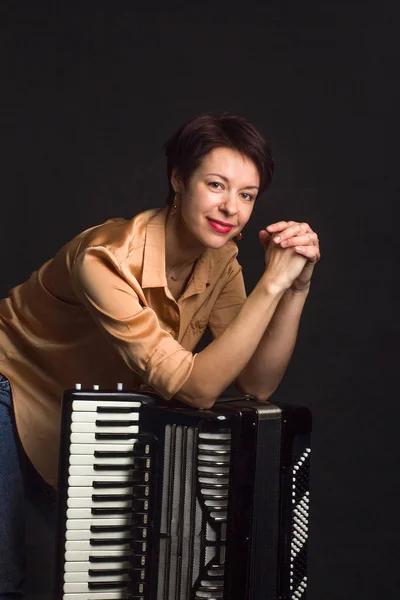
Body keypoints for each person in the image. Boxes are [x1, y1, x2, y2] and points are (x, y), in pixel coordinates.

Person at [0, 113, 320, 597]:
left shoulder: (220, 260)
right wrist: (269, 284)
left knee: (116, 578)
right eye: (216, 184)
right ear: (178, 179)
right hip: (11, 383)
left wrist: (293, 291)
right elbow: (195, 388)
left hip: (90, 410)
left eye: (247, 195)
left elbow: (256, 383)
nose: (230, 208)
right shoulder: (103, 259)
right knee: (4, 576)